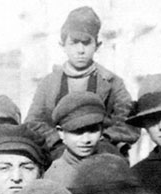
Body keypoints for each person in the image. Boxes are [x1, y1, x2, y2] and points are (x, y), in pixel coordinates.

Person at [25, 6, 138, 154]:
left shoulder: (112, 83)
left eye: (86, 43)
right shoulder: (48, 84)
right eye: (74, 43)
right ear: (63, 45)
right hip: (57, 153)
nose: (80, 50)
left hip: (101, 152)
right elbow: (33, 122)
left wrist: (102, 139)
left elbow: (128, 122)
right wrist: (56, 140)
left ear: (97, 46)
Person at [44, 91, 120, 188]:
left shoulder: (115, 168)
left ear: (102, 131)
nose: (86, 140)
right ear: (61, 132)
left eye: (93, 130)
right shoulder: (54, 177)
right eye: (77, 131)